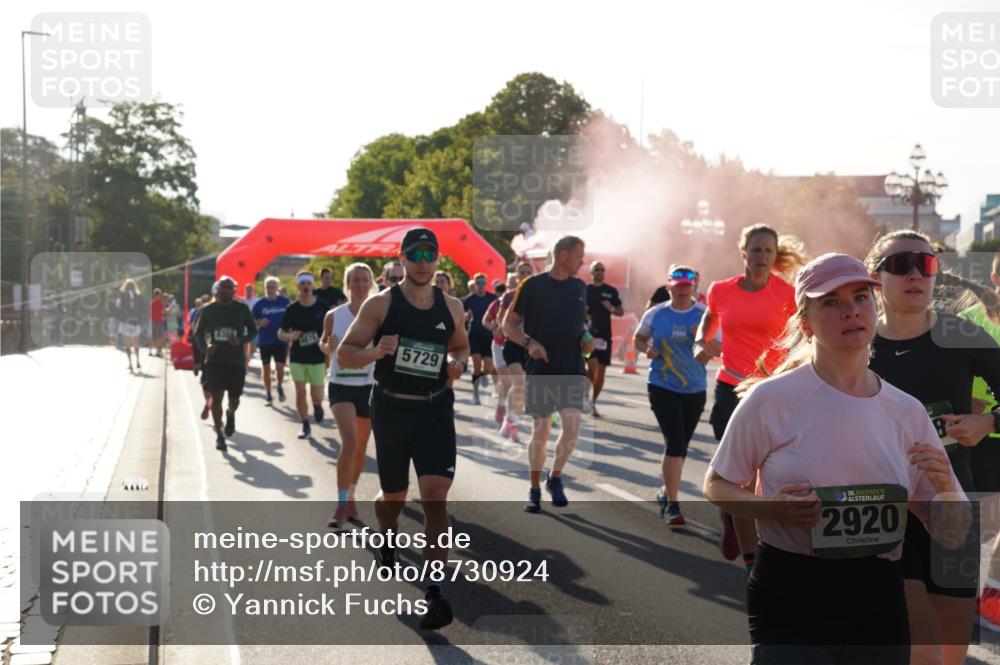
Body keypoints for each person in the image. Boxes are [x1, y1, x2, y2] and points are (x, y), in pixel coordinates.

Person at [704, 252, 968, 665]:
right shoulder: (771, 399)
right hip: (792, 591)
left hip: (878, 596)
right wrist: (771, 509)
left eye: (861, 297)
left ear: (874, 309)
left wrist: (947, 490)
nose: (851, 311)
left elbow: (952, 536)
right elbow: (717, 484)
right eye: (831, 302)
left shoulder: (907, 411)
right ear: (806, 324)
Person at [865, 230, 1000, 665]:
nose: (915, 274)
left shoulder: (959, 334)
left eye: (925, 265)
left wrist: (988, 422)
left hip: (953, 503)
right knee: (906, 639)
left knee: (949, 648)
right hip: (880, 509)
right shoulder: (856, 341)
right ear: (875, 277)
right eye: (900, 264)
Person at [337, 227, 469, 631]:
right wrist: (376, 351)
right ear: (403, 259)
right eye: (415, 255)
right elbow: (345, 353)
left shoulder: (452, 306)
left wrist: (458, 364)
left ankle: (434, 591)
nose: (423, 262)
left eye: (430, 254)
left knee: (435, 498)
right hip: (392, 409)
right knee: (393, 496)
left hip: (435, 410)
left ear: (438, 258)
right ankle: (387, 531)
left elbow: (460, 345)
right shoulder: (380, 304)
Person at [695, 224, 804, 571]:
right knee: (739, 476)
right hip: (731, 388)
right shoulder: (721, 290)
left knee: (761, 475)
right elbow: (709, 320)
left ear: (775, 255)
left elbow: (804, 334)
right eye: (755, 250)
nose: (762, 257)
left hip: (773, 391)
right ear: (743, 253)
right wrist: (700, 343)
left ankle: (741, 521)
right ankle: (752, 560)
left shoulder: (788, 294)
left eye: (768, 251)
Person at [503, 236, 594, 513]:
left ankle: (554, 477)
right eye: (579, 256)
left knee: (572, 429)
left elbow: (579, 325)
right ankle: (533, 489)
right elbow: (508, 325)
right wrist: (529, 343)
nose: (582, 262)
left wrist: (586, 340)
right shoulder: (532, 285)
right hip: (541, 368)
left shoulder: (580, 287)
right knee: (541, 428)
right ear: (563, 255)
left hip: (572, 367)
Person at [634, 265, 709, 526]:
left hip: (695, 388)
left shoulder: (704, 314)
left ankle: (666, 490)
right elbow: (638, 338)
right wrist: (646, 349)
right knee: (675, 444)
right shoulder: (656, 313)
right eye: (677, 284)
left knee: (682, 447)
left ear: (694, 286)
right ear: (669, 286)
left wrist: (702, 341)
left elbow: (716, 350)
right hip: (662, 385)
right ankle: (673, 506)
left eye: (687, 284)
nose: (683, 289)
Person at [956, 251, 1000, 631]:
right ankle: (961, 593)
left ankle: (990, 597)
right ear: (995, 279)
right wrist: (963, 398)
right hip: (978, 437)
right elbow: (948, 372)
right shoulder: (969, 322)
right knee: (981, 523)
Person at [322, 262, 377, 528]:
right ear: (348, 284)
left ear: (371, 283)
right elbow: (324, 342)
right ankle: (341, 503)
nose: (360, 284)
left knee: (361, 447)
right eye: (355, 280)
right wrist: (327, 345)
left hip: (369, 385)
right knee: (351, 442)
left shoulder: (379, 313)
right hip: (341, 384)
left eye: (365, 279)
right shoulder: (334, 315)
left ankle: (351, 493)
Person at [192, 276, 257, 451]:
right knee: (217, 398)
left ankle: (230, 413)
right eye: (223, 287)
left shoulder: (241, 308)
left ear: (234, 291)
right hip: (215, 361)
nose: (226, 291)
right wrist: (206, 349)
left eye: (230, 288)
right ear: (217, 290)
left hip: (236, 362)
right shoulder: (208, 310)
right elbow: (198, 333)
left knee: (234, 399)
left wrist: (240, 341)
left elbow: (253, 330)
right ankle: (219, 436)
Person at [279, 271, 329, 439]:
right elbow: (281, 332)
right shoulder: (292, 309)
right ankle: (305, 424)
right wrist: (290, 336)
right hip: (298, 357)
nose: (306, 286)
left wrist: (325, 344)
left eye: (308, 283)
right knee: (300, 392)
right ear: (297, 286)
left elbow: (331, 329)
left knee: (317, 395)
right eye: (302, 284)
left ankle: (317, 405)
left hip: (317, 357)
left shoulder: (323, 307)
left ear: (313, 285)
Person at [585, 261, 624, 417]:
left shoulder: (610, 291)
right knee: (592, 366)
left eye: (602, 269)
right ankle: (583, 392)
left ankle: (592, 402)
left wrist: (611, 308)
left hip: (605, 336)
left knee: (601, 371)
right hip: (588, 335)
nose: (600, 271)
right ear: (591, 272)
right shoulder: (585, 290)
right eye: (597, 269)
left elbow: (620, 312)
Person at [483, 273, 519, 428]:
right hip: (499, 345)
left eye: (516, 283)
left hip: (518, 346)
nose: (513, 286)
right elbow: (485, 320)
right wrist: (494, 328)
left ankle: (509, 411)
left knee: (515, 383)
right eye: (510, 283)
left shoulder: (528, 302)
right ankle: (502, 406)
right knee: (506, 381)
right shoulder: (498, 303)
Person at [252, 276, 291, 404]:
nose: (271, 289)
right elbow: (251, 321)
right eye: (268, 287)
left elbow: (293, 317)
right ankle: (268, 393)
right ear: (265, 288)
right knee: (266, 368)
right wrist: (259, 322)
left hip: (281, 340)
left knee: (280, 367)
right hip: (265, 341)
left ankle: (279, 385)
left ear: (277, 288)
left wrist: (290, 332)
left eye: (273, 287)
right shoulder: (259, 304)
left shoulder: (284, 302)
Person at [463, 272, 498, 405]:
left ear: (486, 284)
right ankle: (476, 394)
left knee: (488, 368)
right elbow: (462, 315)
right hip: (474, 334)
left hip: (488, 335)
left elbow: (498, 315)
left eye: (483, 283)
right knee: (476, 365)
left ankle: (483, 377)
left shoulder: (492, 298)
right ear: (475, 284)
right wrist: (465, 317)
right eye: (478, 283)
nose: (481, 285)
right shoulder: (469, 300)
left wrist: (496, 326)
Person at [115, 279, 145, 372]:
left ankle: (130, 363)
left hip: (125, 322)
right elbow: (143, 309)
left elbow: (118, 308)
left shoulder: (122, 296)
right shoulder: (139, 296)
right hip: (136, 322)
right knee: (136, 343)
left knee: (127, 344)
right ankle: (138, 360)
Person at [149, 287, 165, 358]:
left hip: (152, 321)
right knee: (158, 337)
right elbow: (163, 312)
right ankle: (158, 351)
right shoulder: (161, 303)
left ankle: (150, 351)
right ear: (159, 295)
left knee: (152, 336)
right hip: (159, 321)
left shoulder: (151, 302)